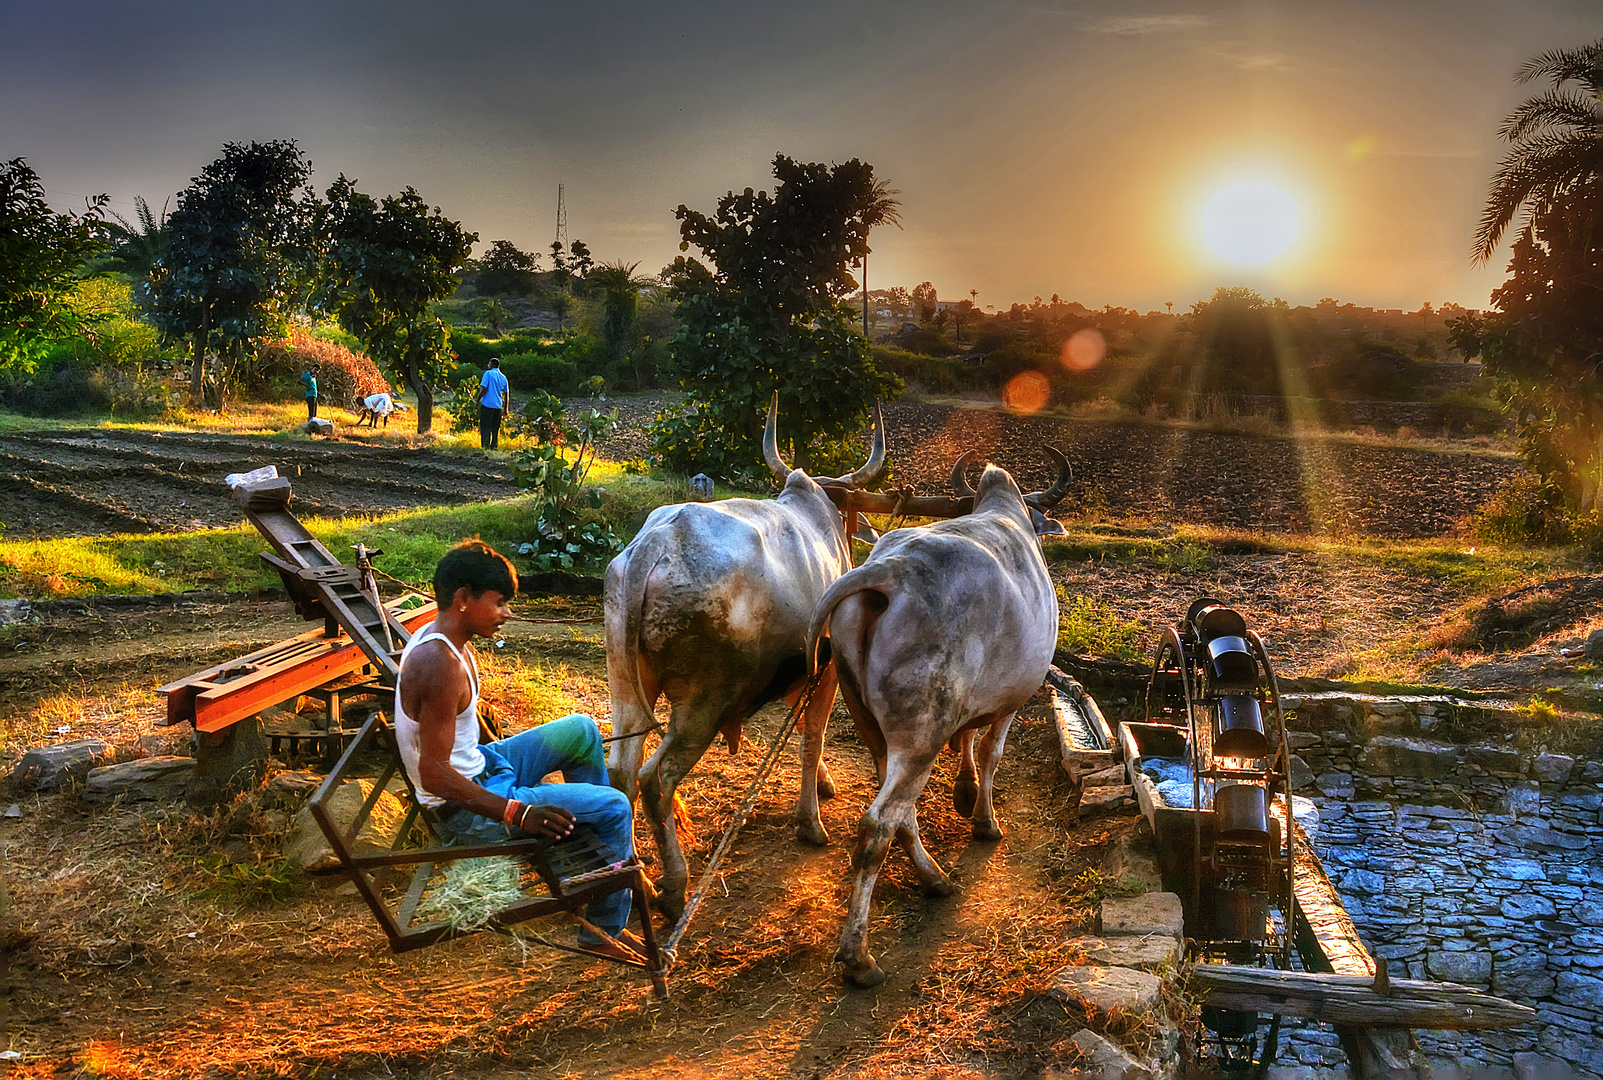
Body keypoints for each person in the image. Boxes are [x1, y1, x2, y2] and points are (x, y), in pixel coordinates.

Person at [394, 540, 641, 960]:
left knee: (581, 730)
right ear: (463, 599)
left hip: (485, 767)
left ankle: (595, 870)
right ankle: (601, 929)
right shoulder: (439, 664)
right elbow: (435, 774)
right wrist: (519, 813)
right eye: (500, 603)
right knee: (616, 807)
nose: (509, 614)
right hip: (465, 812)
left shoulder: (445, 636)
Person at [474, 357, 510, 450]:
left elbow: (484, 388)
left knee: (485, 426)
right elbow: (506, 394)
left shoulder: (488, 374)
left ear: (492, 365)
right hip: (498, 406)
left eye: (489, 364)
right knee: (495, 428)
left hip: (487, 404)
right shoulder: (503, 377)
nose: (487, 365)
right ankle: (494, 446)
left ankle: (485, 446)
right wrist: (505, 408)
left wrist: (477, 400)